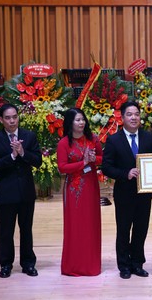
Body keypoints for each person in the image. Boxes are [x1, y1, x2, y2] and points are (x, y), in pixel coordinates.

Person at [102, 101, 152, 279]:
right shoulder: (113, 140)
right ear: (122, 117)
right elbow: (106, 167)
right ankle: (124, 265)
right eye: (129, 114)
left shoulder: (148, 137)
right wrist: (125, 173)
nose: (134, 117)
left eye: (137, 114)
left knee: (141, 229)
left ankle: (137, 263)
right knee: (124, 229)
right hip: (124, 192)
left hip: (144, 193)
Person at [0, 103, 42, 278]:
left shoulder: (29, 136)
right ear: (1, 120)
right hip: (6, 194)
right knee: (5, 230)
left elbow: (38, 161)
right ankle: (5, 264)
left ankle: (28, 263)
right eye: (8, 118)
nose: (12, 121)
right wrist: (12, 156)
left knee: (26, 229)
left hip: (26, 192)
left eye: (15, 117)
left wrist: (23, 152)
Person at [56, 108, 102, 276]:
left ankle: (91, 264)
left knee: (90, 224)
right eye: (77, 120)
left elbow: (102, 159)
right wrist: (83, 163)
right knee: (75, 226)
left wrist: (92, 159)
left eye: (83, 119)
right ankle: (73, 265)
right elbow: (62, 168)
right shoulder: (63, 143)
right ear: (70, 122)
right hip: (73, 190)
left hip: (90, 187)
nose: (81, 123)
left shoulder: (93, 139)